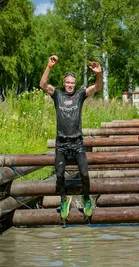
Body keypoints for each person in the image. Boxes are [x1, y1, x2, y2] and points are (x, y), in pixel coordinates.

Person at [39, 55, 103, 220]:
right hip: (61, 143)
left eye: (72, 83)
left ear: (75, 84)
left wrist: (98, 73)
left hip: (77, 143)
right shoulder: (57, 95)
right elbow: (42, 84)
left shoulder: (80, 95)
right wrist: (49, 66)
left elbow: (97, 86)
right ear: (63, 83)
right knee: (59, 175)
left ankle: (86, 198)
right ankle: (63, 199)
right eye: (67, 82)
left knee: (84, 174)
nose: (69, 85)